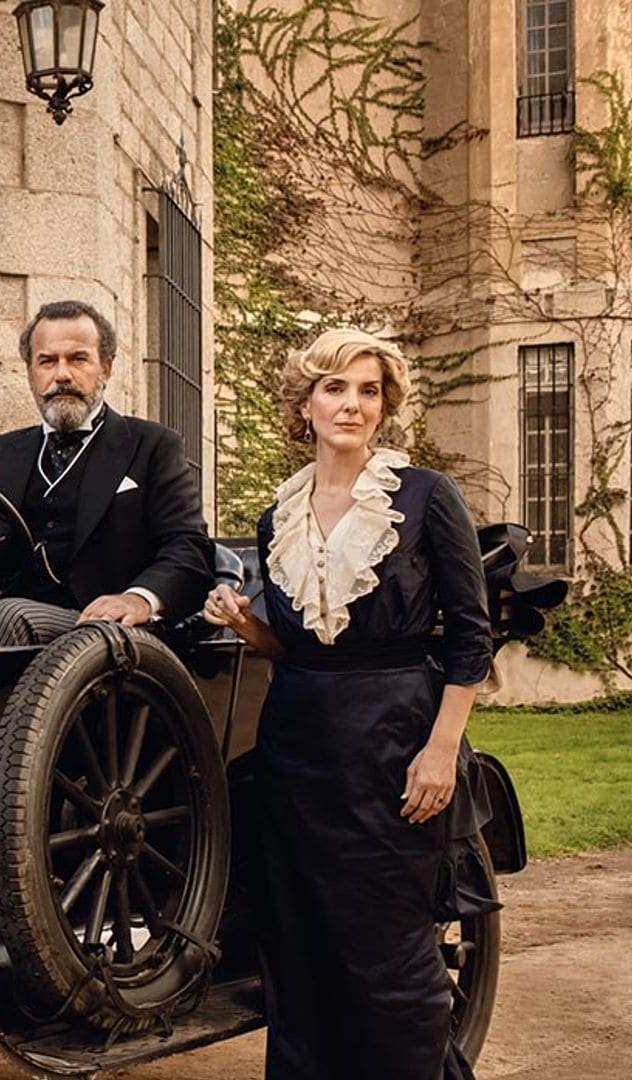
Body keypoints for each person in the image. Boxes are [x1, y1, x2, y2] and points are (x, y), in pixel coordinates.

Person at [203, 328, 490, 1080]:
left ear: (385, 405)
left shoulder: (426, 496)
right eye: (335, 387)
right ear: (306, 403)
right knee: (299, 950)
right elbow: (298, 649)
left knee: (390, 955)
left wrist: (441, 749)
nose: (352, 404)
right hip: (297, 750)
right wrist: (244, 624)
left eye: (368, 390)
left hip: (396, 744)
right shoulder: (280, 516)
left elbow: (471, 635)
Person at [0, 300, 213, 645]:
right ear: (31, 373)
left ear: (106, 368)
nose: (62, 374)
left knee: (9, 613)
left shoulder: (152, 445)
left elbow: (189, 547)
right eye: (47, 361)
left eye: (78, 359)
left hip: (103, 632)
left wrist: (138, 598)